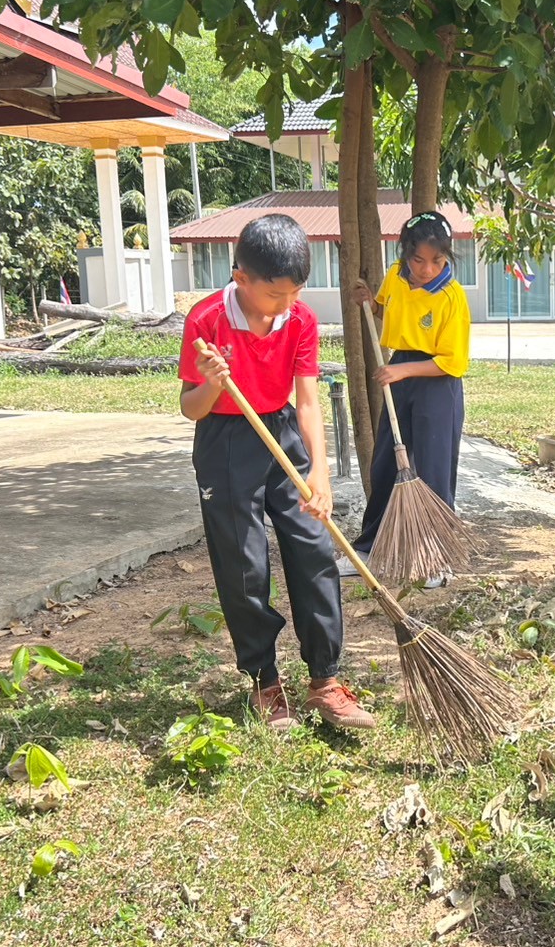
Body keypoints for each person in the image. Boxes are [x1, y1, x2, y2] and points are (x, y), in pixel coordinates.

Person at [180, 215, 375, 732]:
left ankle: (326, 680)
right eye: (275, 295)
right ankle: (265, 680)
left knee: (314, 548)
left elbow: (309, 403)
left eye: (296, 293)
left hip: (282, 433)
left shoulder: (301, 320)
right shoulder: (206, 321)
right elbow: (190, 409)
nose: (286, 306)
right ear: (240, 278)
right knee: (244, 563)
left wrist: (323, 480)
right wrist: (213, 385)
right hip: (225, 441)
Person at [344, 211, 471, 587]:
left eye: (437, 260)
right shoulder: (396, 277)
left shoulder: (453, 297)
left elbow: (453, 362)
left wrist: (402, 371)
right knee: (386, 464)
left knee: (433, 470)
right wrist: (368, 302)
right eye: (418, 259)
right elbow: (386, 311)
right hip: (398, 373)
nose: (426, 268)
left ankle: (435, 558)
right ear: (404, 254)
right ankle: (369, 548)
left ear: (447, 257)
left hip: (437, 384)